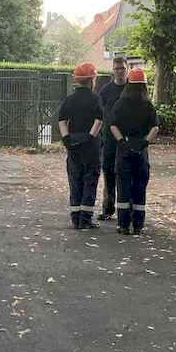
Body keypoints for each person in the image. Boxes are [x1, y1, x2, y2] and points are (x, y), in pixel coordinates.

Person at [108, 68, 159, 235]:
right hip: (141, 150)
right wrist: (145, 142)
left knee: (123, 186)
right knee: (139, 187)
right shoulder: (148, 105)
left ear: (128, 84)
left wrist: (121, 141)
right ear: (144, 85)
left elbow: (113, 125)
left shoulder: (120, 104)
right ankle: (138, 225)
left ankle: (123, 224)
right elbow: (155, 128)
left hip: (124, 149)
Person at [57, 62, 104, 229]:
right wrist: (90, 136)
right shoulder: (95, 98)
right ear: (91, 80)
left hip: (73, 143)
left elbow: (62, 120)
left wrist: (66, 139)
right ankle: (85, 219)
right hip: (91, 145)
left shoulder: (69, 99)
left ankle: (75, 218)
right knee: (90, 180)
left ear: (77, 80)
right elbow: (99, 120)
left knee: (75, 179)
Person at [97, 56, 129, 221]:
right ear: (113, 70)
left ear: (127, 69)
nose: (120, 71)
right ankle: (108, 208)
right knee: (108, 172)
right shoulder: (106, 90)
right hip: (109, 139)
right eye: (117, 68)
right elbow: (98, 113)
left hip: (128, 138)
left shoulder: (133, 88)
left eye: (122, 68)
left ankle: (126, 209)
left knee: (126, 174)